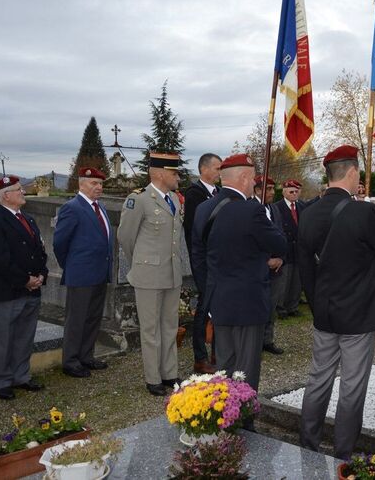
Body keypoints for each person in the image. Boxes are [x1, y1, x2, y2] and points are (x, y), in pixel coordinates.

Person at [296, 145, 375, 460]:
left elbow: (305, 270)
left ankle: (308, 444)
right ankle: (343, 452)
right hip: (358, 315)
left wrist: (317, 306)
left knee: (318, 379)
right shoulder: (362, 212)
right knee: (352, 386)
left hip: (324, 311)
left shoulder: (308, 213)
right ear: (352, 173)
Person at [199, 154, 286, 405]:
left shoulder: (205, 208)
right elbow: (279, 244)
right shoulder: (252, 210)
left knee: (225, 365)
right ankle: (243, 420)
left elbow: (198, 254)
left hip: (219, 299)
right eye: (253, 177)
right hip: (249, 302)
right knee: (246, 370)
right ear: (245, 178)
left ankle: (221, 415)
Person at [117, 152, 185, 396]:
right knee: (150, 330)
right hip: (148, 274)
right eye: (174, 173)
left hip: (172, 273)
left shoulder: (175, 200)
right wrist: (144, 262)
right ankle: (153, 378)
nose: (178, 177)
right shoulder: (139, 200)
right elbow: (126, 238)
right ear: (158, 174)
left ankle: (170, 373)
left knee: (169, 325)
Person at [0, 176, 47, 400]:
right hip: (6, 292)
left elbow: (39, 251)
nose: (23, 192)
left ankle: (21, 376)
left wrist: (41, 275)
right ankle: (1, 381)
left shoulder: (28, 219)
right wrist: (25, 279)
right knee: (3, 339)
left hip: (32, 289)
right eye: (19, 190)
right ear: (6, 195)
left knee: (25, 337)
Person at [53, 167, 113, 378]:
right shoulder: (72, 208)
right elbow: (60, 243)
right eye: (93, 183)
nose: (98, 187)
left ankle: (86, 356)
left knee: (93, 318)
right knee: (76, 319)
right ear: (81, 184)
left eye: (100, 183)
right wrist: (70, 266)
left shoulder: (100, 207)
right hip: (81, 274)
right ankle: (70, 361)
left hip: (99, 273)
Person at [183, 152, 221, 374]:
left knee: (218, 306)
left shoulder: (217, 193)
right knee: (204, 307)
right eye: (217, 168)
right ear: (204, 169)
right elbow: (194, 231)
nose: (219, 172)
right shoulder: (195, 194)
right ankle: (200, 356)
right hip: (203, 260)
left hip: (217, 260)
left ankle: (218, 352)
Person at [253, 174, 286, 355]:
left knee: (271, 306)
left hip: (276, 268)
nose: (273, 192)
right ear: (258, 189)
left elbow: (280, 235)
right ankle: (255, 343)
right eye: (269, 188)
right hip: (258, 268)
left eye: (274, 188)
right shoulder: (251, 208)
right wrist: (264, 260)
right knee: (258, 306)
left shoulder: (274, 209)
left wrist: (280, 258)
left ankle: (267, 340)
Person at [274, 179, 305, 318]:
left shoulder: (302, 207)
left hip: (298, 250)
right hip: (285, 250)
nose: (294, 194)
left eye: (296, 191)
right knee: (284, 281)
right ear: (284, 192)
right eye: (291, 192)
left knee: (296, 281)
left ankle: (293, 306)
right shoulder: (277, 207)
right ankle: (281, 308)